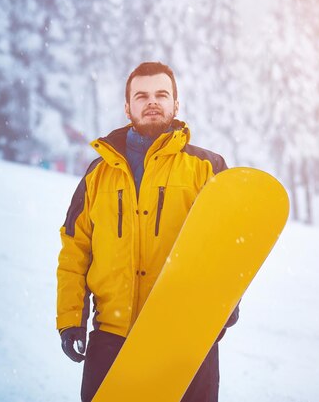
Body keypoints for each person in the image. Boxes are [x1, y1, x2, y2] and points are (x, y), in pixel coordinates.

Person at [56, 62, 239, 402]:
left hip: (186, 339)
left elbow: (231, 245)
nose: (151, 102)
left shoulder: (207, 167)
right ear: (128, 106)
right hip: (112, 337)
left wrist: (225, 305)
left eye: (161, 94)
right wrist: (70, 320)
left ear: (176, 104)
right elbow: (75, 250)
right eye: (141, 95)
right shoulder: (98, 174)